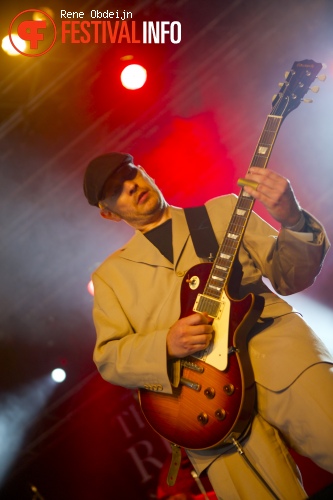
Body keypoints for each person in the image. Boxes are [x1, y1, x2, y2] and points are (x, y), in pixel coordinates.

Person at [83, 152, 333, 500]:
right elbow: (109, 358)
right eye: (116, 190)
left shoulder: (223, 211)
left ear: (145, 172)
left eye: (130, 174)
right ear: (108, 213)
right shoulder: (110, 277)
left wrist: (293, 221)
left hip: (285, 362)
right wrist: (166, 343)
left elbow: (290, 275)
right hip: (207, 413)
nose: (130, 186)